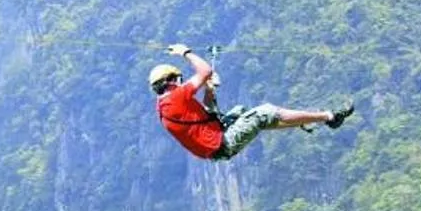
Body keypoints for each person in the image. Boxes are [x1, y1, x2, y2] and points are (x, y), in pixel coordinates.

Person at [150, 44, 352, 161]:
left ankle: (298, 120)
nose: (182, 81)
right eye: (179, 79)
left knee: (243, 111)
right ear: (171, 81)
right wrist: (186, 52)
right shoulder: (175, 97)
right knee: (265, 112)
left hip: (215, 142)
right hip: (222, 143)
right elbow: (204, 71)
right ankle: (329, 117)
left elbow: (206, 114)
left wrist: (209, 89)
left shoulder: (165, 107)